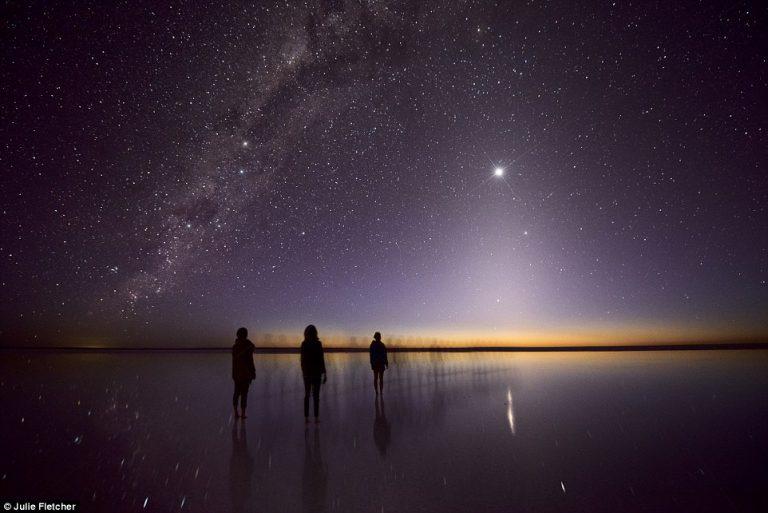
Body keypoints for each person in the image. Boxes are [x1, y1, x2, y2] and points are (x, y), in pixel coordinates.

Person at [300, 324, 327, 422]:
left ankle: (308, 417)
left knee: (309, 395)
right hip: (314, 373)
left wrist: (305, 372)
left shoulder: (306, 344)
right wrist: (324, 372)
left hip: (311, 373)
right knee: (315, 396)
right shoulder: (314, 344)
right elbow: (321, 359)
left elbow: (303, 361)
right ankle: (315, 417)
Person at [232, 327, 255, 419]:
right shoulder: (247, 346)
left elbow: (235, 363)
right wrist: (252, 372)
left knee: (237, 393)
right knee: (243, 394)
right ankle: (242, 413)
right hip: (244, 374)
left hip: (238, 374)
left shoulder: (235, 347)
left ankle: (237, 413)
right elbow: (250, 361)